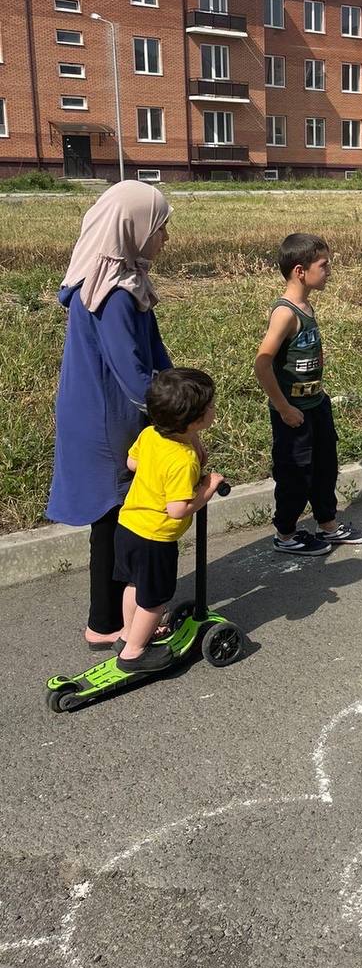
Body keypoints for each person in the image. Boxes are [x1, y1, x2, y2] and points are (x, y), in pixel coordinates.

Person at [47, 181, 173, 650]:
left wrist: (181, 388)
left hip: (108, 409)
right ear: (133, 228)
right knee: (114, 517)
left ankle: (123, 611)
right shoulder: (111, 293)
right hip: (106, 417)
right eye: (160, 228)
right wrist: (175, 414)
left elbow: (156, 355)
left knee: (120, 515)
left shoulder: (128, 281)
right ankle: (105, 623)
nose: (165, 238)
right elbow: (131, 371)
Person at [253, 232, 362, 555]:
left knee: (324, 466)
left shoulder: (306, 305)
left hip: (316, 403)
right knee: (295, 473)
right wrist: (283, 407)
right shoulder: (286, 313)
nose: (329, 270)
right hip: (293, 412)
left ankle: (328, 524)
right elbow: (262, 365)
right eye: (324, 264)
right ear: (300, 271)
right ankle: (286, 534)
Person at [114, 368, 223, 673]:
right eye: (211, 406)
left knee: (135, 586)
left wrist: (193, 442)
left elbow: (132, 462)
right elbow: (177, 509)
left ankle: (127, 634)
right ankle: (134, 654)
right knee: (156, 600)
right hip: (155, 538)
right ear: (195, 419)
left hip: (128, 527)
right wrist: (207, 489)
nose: (215, 409)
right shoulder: (181, 460)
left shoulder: (150, 434)